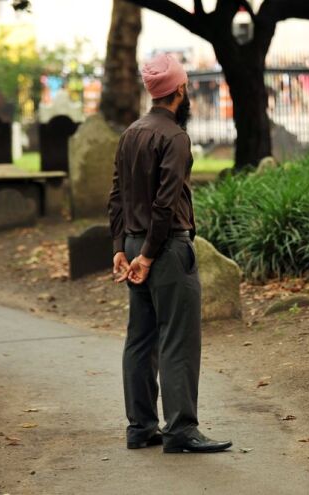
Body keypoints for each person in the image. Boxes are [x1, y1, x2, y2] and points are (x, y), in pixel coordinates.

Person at [108, 53, 232, 454]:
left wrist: (121, 249)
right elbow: (165, 204)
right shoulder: (175, 137)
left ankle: (141, 427)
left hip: (133, 243)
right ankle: (180, 430)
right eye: (186, 85)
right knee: (177, 338)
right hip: (166, 249)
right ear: (180, 89)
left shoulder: (131, 133)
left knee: (140, 337)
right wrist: (147, 254)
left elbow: (116, 197)